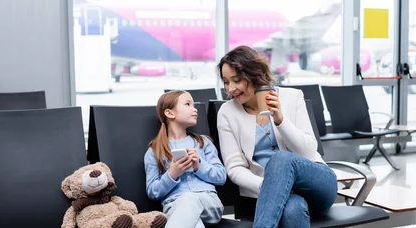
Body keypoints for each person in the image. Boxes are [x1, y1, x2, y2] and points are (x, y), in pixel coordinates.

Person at [216, 45, 338, 228]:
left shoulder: (292, 96)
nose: (231, 88)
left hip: (317, 182)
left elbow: (308, 150)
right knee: (292, 210)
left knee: (281, 159)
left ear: (254, 74)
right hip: (273, 194)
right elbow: (234, 168)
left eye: (237, 80)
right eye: (226, 82)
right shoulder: (227, 112)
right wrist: (274, 186)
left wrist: (280, 120)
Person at [144, 90, 227, 228]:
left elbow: (221, 177)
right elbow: (153, 191)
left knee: (189, 199)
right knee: (195, 224)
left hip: (209, 203)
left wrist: (199, 165)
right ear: (170, 113)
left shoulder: (203, 143)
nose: (194, 109)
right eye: (187, 104)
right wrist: (172, 174)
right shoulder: (154, 151)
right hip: (174, 206)